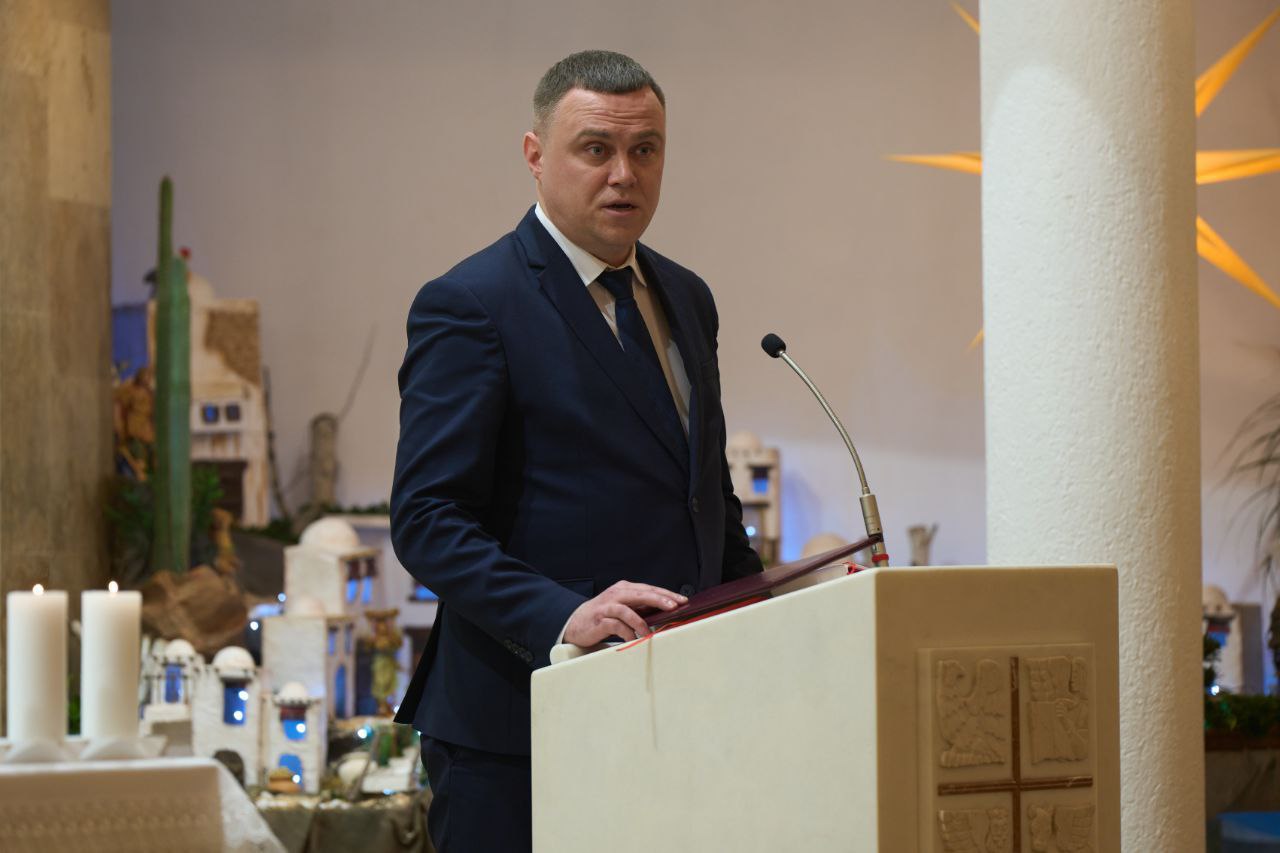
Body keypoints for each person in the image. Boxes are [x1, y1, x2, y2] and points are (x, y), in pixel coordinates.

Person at [390, 49, 762, 852]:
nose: (624, 174)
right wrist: (562, 613)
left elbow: (704, 494)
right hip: (520, 724)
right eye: (596, 149)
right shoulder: (472, 303)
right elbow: (426, 518)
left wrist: (768, 607)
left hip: (677, 710)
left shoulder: (687, 297)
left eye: (645, 149)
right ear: (535, 155)